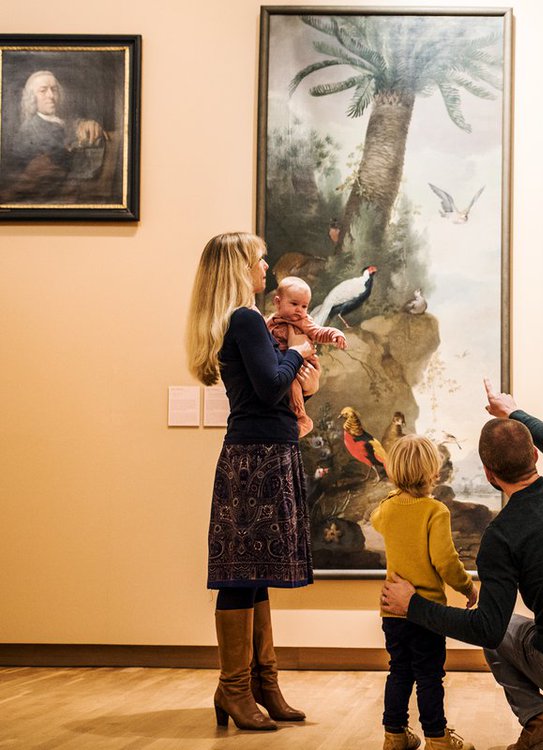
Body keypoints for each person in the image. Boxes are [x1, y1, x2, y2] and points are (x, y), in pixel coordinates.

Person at [380, 379, 543, 750]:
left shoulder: (501, 534)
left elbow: (487, 630)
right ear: (537, 458)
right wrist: (512, 412)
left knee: (500, 629)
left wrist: (413, 605)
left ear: (490, 476)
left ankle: (538, 727)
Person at [184, 231, 319, 732]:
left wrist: (296, 359)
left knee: (255, 571)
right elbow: (269, 386)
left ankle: (262, 683)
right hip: (255, 458)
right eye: (260, 260)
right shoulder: (244, 319)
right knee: (242, 573)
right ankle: (235, 687)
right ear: (240, 267)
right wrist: (301, 349)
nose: (267, 268)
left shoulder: (248, 321)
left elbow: (277, 382)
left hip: (264, 453)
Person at [371, 435, 479, 750]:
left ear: (393, 472)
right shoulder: (436, 511)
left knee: (399, 670)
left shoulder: (387, 508)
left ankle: (394, 735)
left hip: (392, 611)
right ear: (434, 473)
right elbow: (445, 561)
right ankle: (436, 737)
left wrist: (395, 493)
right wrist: (467, 586)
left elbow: (377, 521)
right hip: (426, 612)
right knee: (430, 675)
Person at [4, 70, 107, 202]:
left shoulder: (65, 122)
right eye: (43, 90)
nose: (51, 95)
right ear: (31, 97)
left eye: (54, 89)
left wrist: (88, 124)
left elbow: (73, 127)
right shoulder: (28, 131)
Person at [266, 276, 347, 438]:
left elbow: (318, 332)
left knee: (293, 385)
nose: (300, 310)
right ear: (277, 302)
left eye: (304, 306)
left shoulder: (303, 321)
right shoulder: (269, 321)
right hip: (282, 364)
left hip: (298, 366)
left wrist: (334, 334)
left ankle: (301, 418)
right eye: (294, 304)